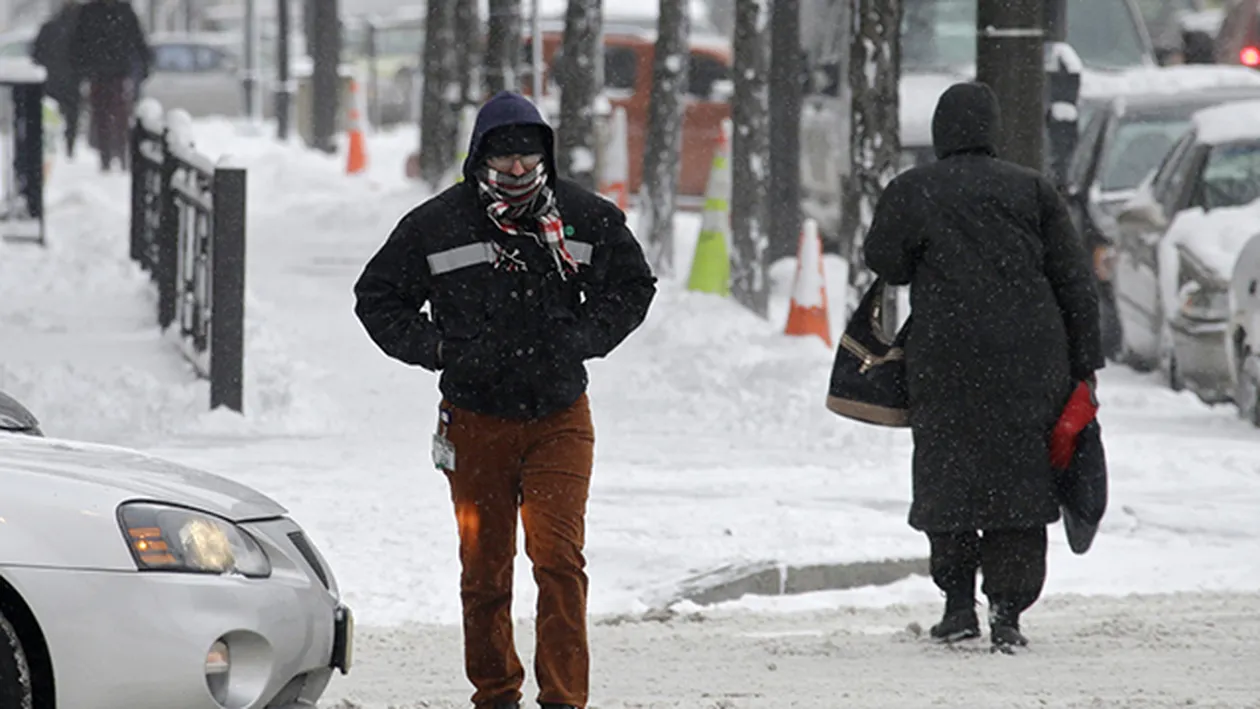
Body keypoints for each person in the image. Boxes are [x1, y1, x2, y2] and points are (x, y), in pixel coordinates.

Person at [353, 91, 657, 709]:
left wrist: (584, 338)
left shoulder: (585, 219)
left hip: (559, 417)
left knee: (558, 558)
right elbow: (377, 299)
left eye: (527, 154)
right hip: (474, 422)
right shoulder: (436, 225)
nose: (516, 168)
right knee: (485, 571)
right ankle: (495, 693)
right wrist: (440, 349)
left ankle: (564, 698)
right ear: (479, 155)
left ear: (544, 152)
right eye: (503, 155)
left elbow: (633, 286)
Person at [862, 82, 1103, 651]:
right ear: (992, 130)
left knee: (950, 477)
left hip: (946, 360)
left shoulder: (913, 189)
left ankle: (957, 607)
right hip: (1031, 360)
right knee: (1020, 482)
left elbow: (886, 262)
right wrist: (1085, 366)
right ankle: (1009, 613)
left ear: (942, 132)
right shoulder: (1033, 191)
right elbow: (1075, 282)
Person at [69, 0, 150, 172]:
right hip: (100, 73)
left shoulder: (121, 10)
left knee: (118, 115)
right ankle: (106, 155)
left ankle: (120, 154)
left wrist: (142, 66)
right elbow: (78, 44)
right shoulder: (91, 12)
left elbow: (137, 40)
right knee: (103, 116)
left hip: (118, 72)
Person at [31, 1, 83, 158]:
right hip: (72, 76)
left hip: (53, 77)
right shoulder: (78, 29)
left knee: (50, 112)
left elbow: (37, 54)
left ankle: (50, 143)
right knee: (71, 113)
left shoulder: (49, 28)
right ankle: (69, 144)